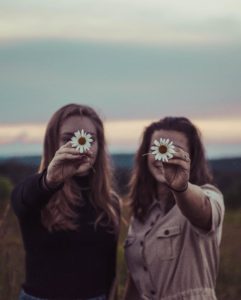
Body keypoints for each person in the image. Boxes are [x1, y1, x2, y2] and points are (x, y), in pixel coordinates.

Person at [11, 104, 120, 300]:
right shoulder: (38, 192)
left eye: (90, 139)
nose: (80, 145)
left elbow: (110, 272)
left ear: (99, 145)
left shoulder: (110, 202)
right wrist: (49, 181)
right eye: (68, 138)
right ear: (53, 143)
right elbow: (21, 200)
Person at [123, 117, 224, 300]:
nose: (165, 156)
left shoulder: (208, 195)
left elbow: (204, 213)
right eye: (158, 148)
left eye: (176, 149)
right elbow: (137, 280)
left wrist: (181, 188)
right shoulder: (141, 213)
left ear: (192, 157)